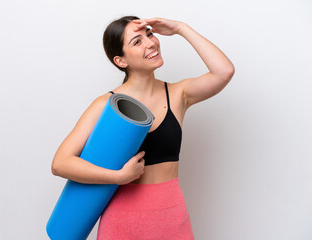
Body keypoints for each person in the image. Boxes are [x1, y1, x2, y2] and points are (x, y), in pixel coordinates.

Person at [51, 16, 235, 239]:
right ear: (121, 61)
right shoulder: (106, 105)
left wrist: (181, 28)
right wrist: (117, 177)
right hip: (123, 221)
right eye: (137, 42)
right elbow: (61, 163)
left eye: (149, 34)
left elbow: (224, 71)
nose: (150, 43)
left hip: (172, 217)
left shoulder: (178, 94)